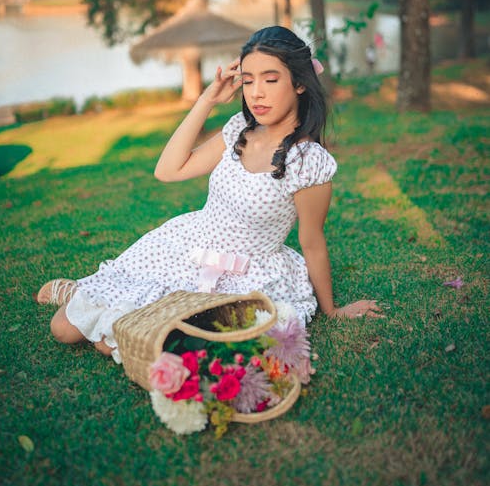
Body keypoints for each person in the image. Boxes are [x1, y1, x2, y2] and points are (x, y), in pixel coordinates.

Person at [36, 25, 382, 361]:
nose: (256, 92)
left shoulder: (309, 163)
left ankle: (96, 304)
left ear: (300, 84)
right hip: (186, 247)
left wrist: (332, 309)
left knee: (124, 344)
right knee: (62, 330)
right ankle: (77, 291)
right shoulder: (239, 131)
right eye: (248, 80)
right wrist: (208, 99)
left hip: (247, 276)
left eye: (271, 79)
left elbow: (312, 242)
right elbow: (168, 171)